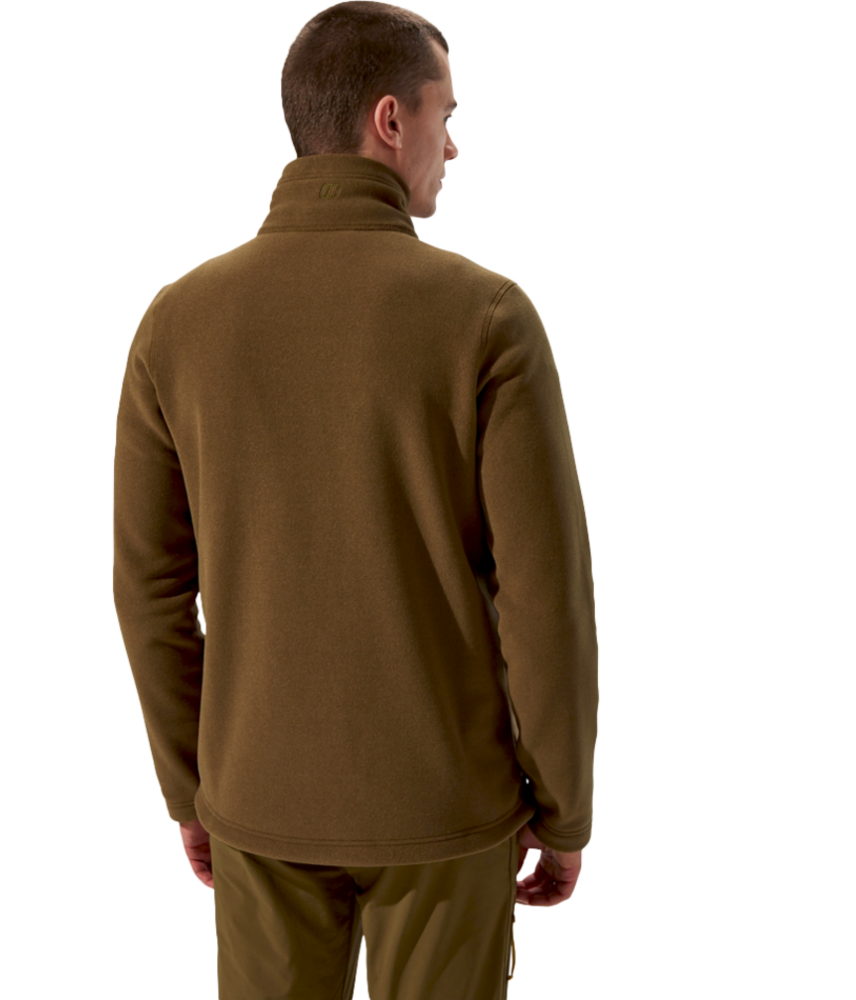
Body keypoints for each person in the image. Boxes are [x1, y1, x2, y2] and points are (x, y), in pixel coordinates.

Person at [113, 2, 598, 995]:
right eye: (444, 115)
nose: (452, 146)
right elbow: (544, 596)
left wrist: (190, 788)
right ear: (389, 119)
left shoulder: (176, 321)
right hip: (447, 806)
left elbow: (149, 589)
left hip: (257, 802)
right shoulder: (487, 315)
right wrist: (564, 809)